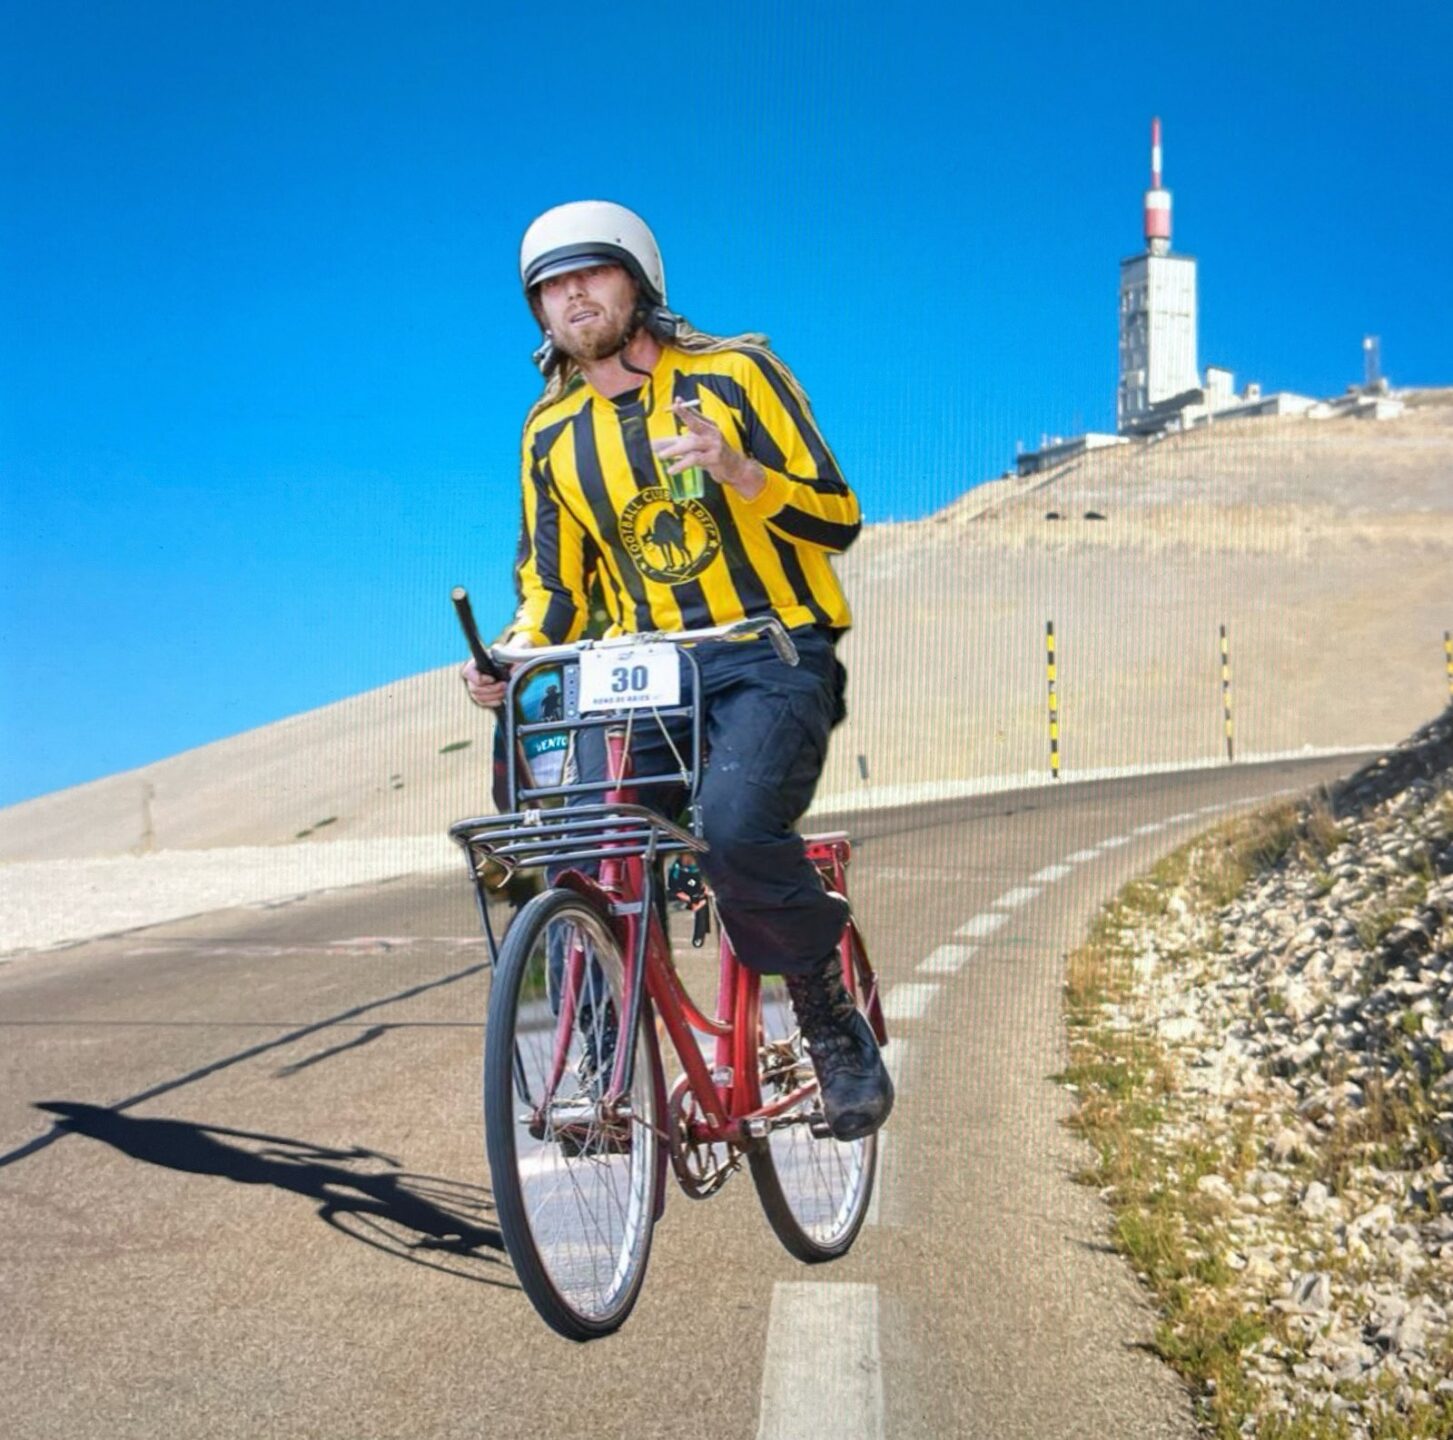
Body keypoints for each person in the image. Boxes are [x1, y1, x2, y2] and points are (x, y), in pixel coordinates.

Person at [462, 200, 891, 1141]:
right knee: (577, 853)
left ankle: (828, 1019)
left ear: (639, 282)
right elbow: (553, 590)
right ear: (537, 311)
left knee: (736, 830)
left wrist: (738, 471)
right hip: (638, 674)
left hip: (769, 652)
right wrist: (510, 656)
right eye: (552, 287)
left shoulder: (736, 374)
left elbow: (838, 516)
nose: (574, 296)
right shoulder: (549, 433)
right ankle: (599, 1062)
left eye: (592, 274)